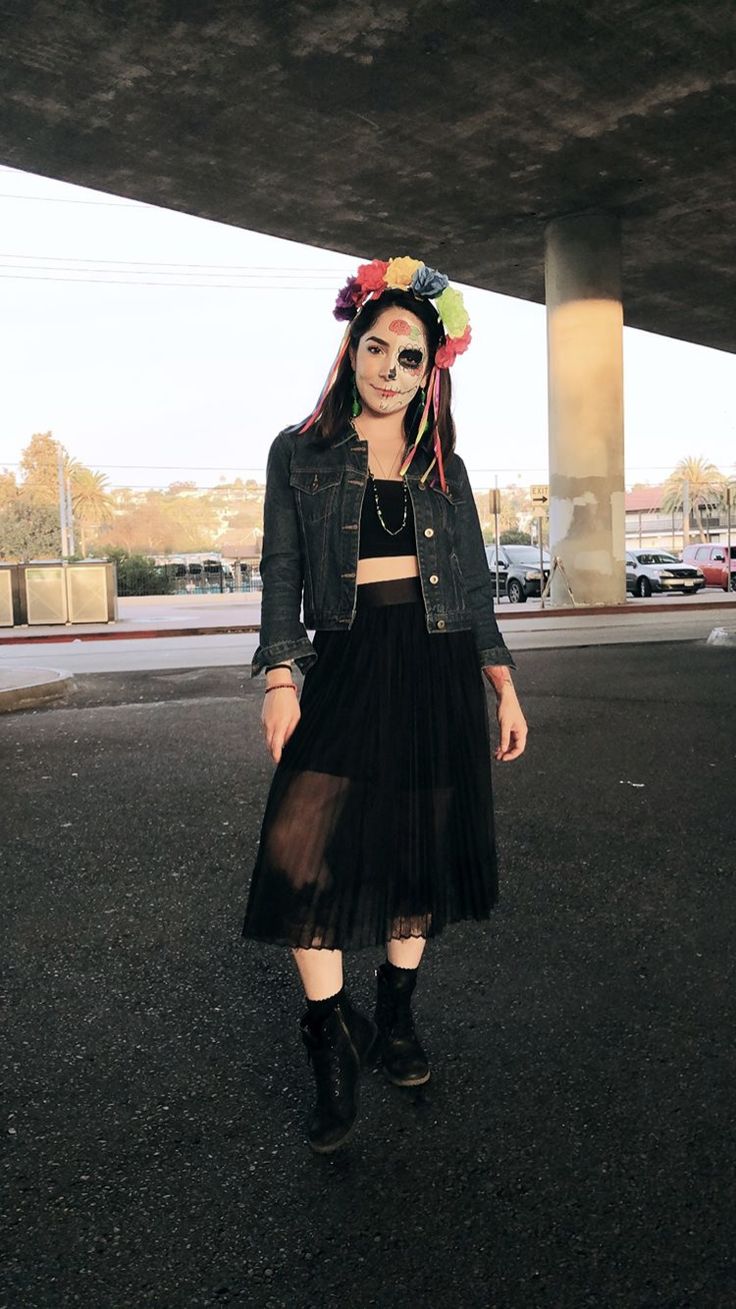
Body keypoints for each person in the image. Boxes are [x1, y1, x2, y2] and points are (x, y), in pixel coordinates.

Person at [242, 256, 528, 1153]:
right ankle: (328, 1038)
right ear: (352, 348)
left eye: (410, 359)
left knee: (420, 848)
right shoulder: (299, 448)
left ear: (429, 373)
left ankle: (395, 1015)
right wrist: (283, 675)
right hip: (350, 659)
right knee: (301, 848)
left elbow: (475, 586)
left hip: (440, 665)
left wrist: (504, 683)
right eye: (377, 347)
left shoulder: (444, 462)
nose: (389, 368)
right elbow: (283, 570)